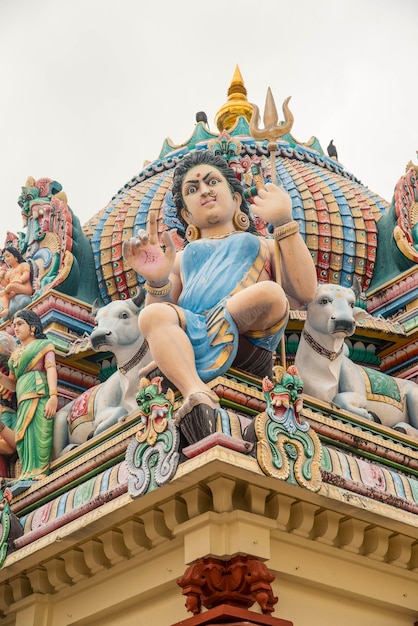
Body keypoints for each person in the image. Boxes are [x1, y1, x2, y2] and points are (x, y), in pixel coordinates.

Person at [122, 150, 317, 443]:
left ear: (236, 199)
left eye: (212, 182)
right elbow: (159, 318)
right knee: (150, 315)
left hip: (248, 338)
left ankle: (193, 357)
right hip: (192, 332)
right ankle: (195, 390)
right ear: (186, 215)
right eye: (192, 189)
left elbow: (305, 291)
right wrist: (157, 280)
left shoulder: (263, 245)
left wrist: (284, 221)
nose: (204, 191)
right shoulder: (182, 258)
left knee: (271, 293)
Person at [0, 310, 58, 480]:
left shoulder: (43, 345)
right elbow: (13, 385)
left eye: (19, 324)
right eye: (13, 325)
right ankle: (27, 473)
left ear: (32, 327)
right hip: (23, 398)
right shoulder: (16, 355)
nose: (15, 328)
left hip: (40, 395)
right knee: (23, 436)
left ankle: (40, 471)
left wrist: (54, 396)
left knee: (40, 431)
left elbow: (51, 369)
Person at [0, 247, 33, 319]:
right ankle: (6, 309)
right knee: (4, 295)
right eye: (4, 257)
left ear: (16, 257)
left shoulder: (23, 265)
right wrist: (1, 278)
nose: (6, 259)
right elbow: (6, 285)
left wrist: (20, 280)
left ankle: (4, 292)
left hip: (24, 288)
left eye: (8, 256)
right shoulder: (9, 272)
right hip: (14, 290)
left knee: (10, 286)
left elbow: (26, 274)